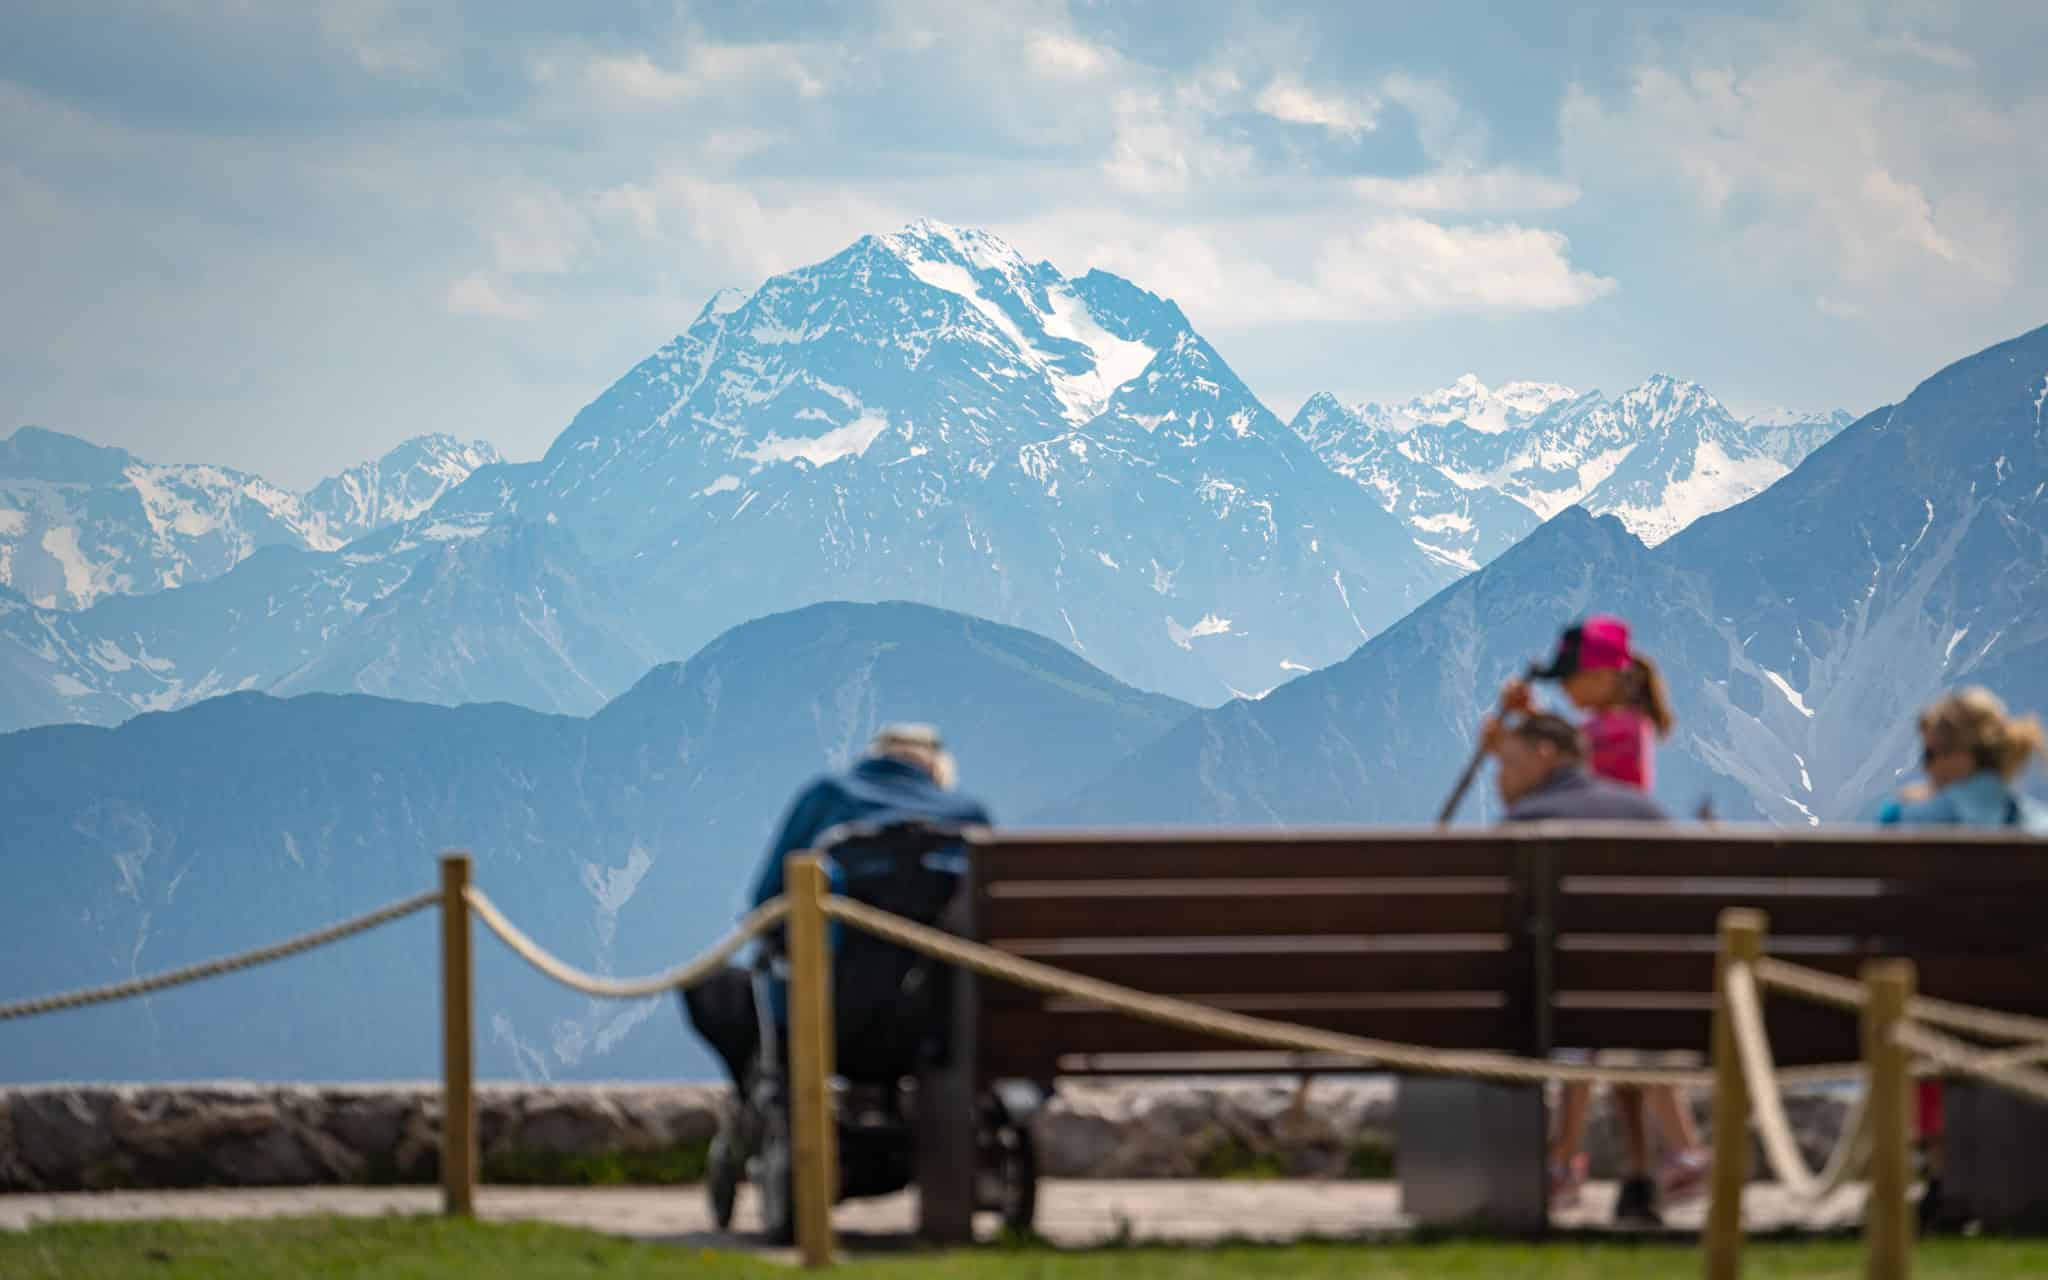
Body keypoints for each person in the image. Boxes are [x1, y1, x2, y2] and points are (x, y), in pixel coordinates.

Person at [1486, 615, 1706, 1222]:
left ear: (1608, 675)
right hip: (1616, 909)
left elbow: (1554, 767)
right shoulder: (1621, 725)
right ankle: (1640, 1170)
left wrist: (1512, 731)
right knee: (1617, 1040)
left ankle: (1567, 1158)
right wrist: (1518, 727)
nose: (1567, 690)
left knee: (1591, 1029)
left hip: (1602, 904)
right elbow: (1555, 752)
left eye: (1573, 678)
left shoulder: (1617, 732)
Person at [683, 724, 992, 1093]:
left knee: (709, 984)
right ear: (939, 770)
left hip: (825, 1026)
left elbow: (766, 906)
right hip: (942, 1031)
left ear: (874, 758)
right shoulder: (969, 816)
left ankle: (769, 1106)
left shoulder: (828, 797)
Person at [1875, 688, 2046, 1230]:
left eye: (1929, 755)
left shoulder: (1916, 818)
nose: (1923, 767)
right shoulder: (2037, 822)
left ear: (1961, 757)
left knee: (1916, 997)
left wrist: (1909, 803)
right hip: (2029, 1005)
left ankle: (1938, 1170)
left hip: (1933, 1001)